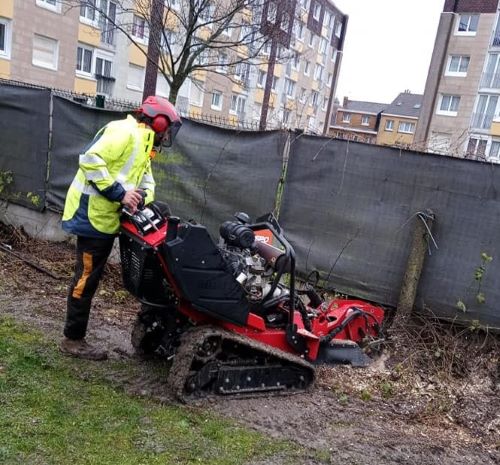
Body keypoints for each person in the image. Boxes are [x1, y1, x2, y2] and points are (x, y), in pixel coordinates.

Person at [59, 96, 182, 360]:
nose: (168, 135)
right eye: (168, 128)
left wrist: (142, 199)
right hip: (92, 216)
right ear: (158, 122)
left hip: (109, 217)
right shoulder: (124, 132)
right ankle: (72, 339)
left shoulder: (144, 143)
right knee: (86, 278)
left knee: (91, 278)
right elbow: (91, 160)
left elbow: (145, 180)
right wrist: (120, 194)